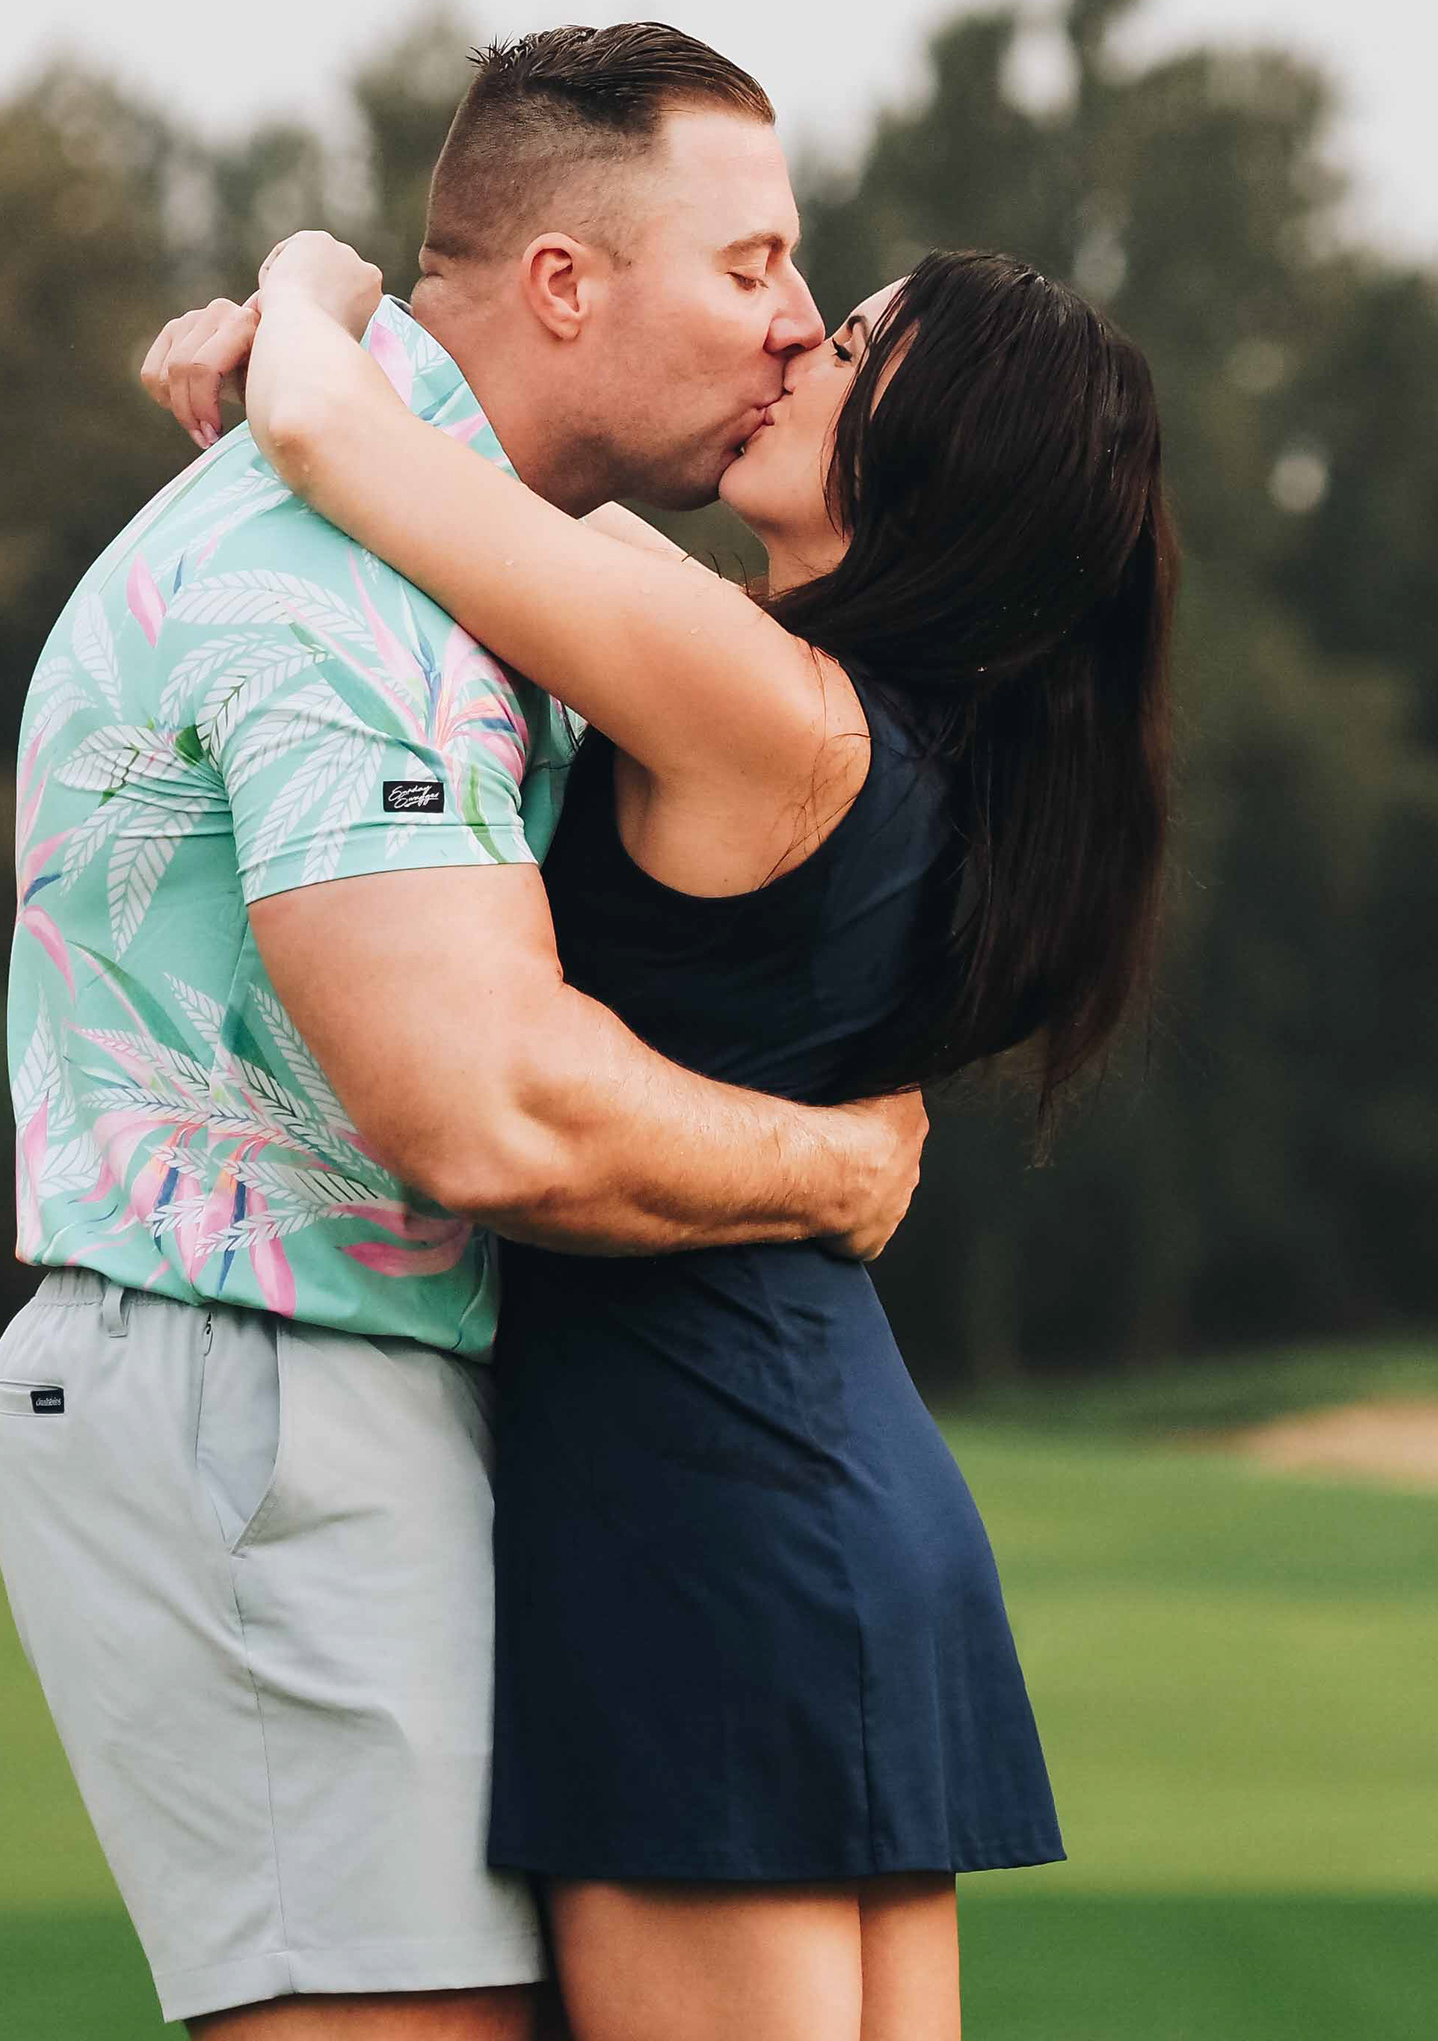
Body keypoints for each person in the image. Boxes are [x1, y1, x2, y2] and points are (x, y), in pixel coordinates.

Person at [0, 24, 936, 2037]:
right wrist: (839, 1160)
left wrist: (308, 284)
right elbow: (484, 1106)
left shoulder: (452, 557)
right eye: (753, 265)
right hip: (268, 1396)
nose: (791, 327)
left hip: (364, 1394)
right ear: (568, 287)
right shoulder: (336, 591)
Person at [136, 208, 1175, 2041]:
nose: (790, 348)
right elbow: (456, 498)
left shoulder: (758, 699)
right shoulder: (921, 756)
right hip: (825, 1475)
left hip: (699, 1506)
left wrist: (302, 275)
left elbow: (334, 438)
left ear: (921, 464)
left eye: (844, 345)